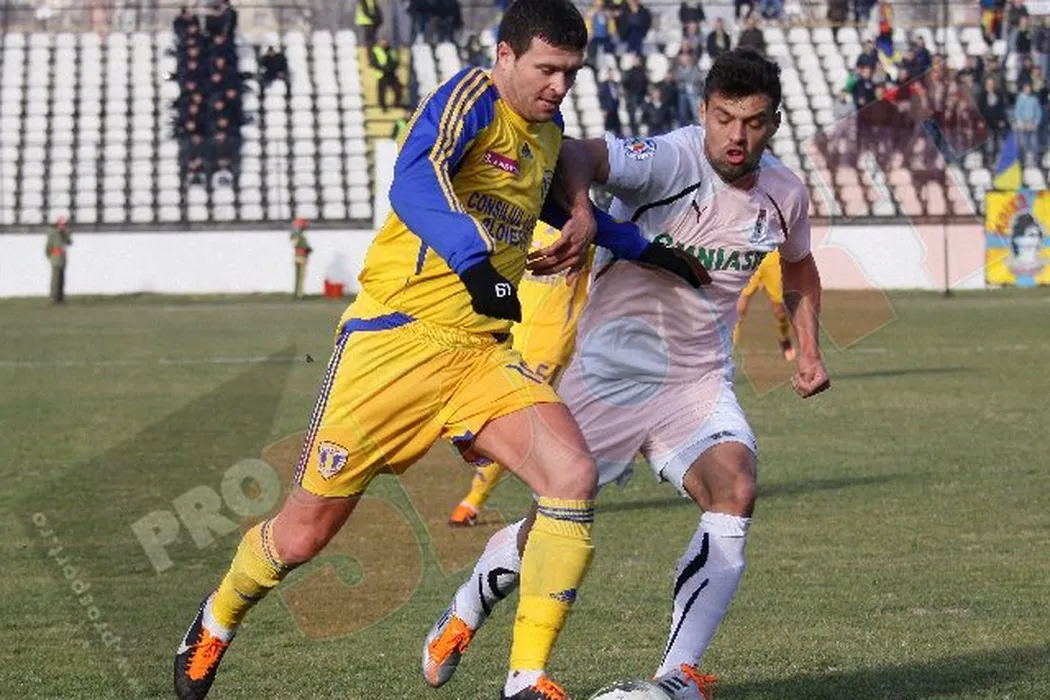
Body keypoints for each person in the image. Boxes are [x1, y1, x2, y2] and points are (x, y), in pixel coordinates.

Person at [172, 2, 703, 699]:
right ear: (505, 56)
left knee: (572, 475)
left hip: (479, 356)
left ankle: (526, 678)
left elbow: (552, 208)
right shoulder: (469, 100)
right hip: (392, 345)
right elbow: (414, 181)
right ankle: (216, 618)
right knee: (302, 537)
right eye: (547, 69)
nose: (559, 86)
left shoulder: (546, 134)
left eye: (571, 73)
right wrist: (474, 262)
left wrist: (646, 249)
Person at [423, 48, 829, 700]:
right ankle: (471, 602)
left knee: (735, 488)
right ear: (705, 112)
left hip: (695, 381)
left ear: (774, 123)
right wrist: (584, 212)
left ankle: (677, 676)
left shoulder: (786, 194)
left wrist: (808, 349)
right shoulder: (671, 159)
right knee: (553, 521)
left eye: (753, 122)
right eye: (724, 118)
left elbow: (799, 264)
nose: (737, 135)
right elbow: (578, 153)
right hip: (607, 374)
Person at [449, 221, 594, 526]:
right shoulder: (528, 221)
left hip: (550, 341)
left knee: (517, 415)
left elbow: (598, 285)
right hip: (509, 333)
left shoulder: (585, 233)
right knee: (487, 412)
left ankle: (474, 500)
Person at [733, 249, 795, 360]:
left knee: (780, 312)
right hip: (750, 259)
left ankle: (784, 338)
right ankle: (727, 351)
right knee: (738, 309)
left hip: (773, 260)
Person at [371, 38, 403, 111]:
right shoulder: (376, 50)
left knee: (398, 89)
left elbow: (395, 61)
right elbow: (374, 63)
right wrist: (384, 69)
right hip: (381, 74)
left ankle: (396, 103)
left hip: (391, 73)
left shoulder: (392, 51)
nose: (384, 43)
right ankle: (383, 107)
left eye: (385, 41)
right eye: (382, 41)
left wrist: (390, 68)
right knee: (382, 91)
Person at [45, 216, 72, 304]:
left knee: (62, 279)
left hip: (63, 258)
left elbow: (69, 242)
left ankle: (61, 297)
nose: (63, 226)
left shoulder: (64, 233)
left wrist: (66, 233)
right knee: (55, 279)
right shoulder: (53, 232)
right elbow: (48, 246)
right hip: (55, 257)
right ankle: (54, 297)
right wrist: (49, 256)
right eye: (62, 224)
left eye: (64, 224)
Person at [290, 218, 312, 299]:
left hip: (297, 256)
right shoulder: (299, 236)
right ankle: (300, 293)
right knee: (301, 276)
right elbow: (301, 245)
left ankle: (296, 292)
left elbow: (294, 243)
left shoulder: (294, 235)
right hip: (302, 256)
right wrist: (307, 248)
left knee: (297, 276)